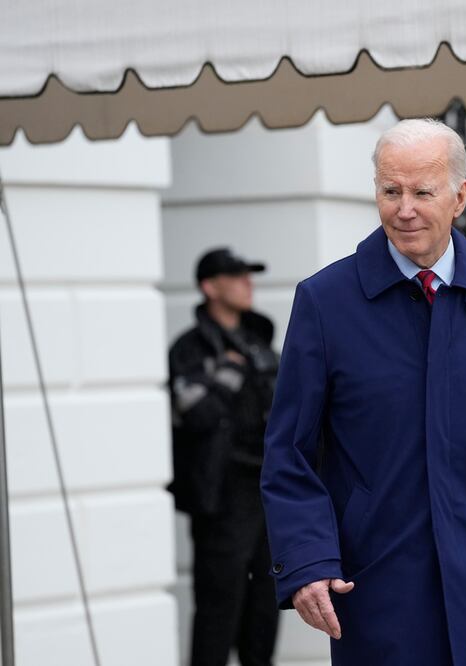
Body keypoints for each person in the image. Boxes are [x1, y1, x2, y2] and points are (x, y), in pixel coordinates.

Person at [261, 118, 466, 666]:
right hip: (378, 593)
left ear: (459, 196)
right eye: (390, 191)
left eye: (422, 191)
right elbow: (288, 454)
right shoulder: (325, 303)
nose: (404, 208)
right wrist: (307, 564)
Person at [168, 248, 281, 666]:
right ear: (209, 287)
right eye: (236, 276)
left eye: (248, 275)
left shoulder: (259, 343)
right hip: (222, 495)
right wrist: (226, 376)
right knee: (220, 607)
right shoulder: (191, 347)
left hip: (267, 492)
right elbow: (194, 413)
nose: (247, 283)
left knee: (265, 609)